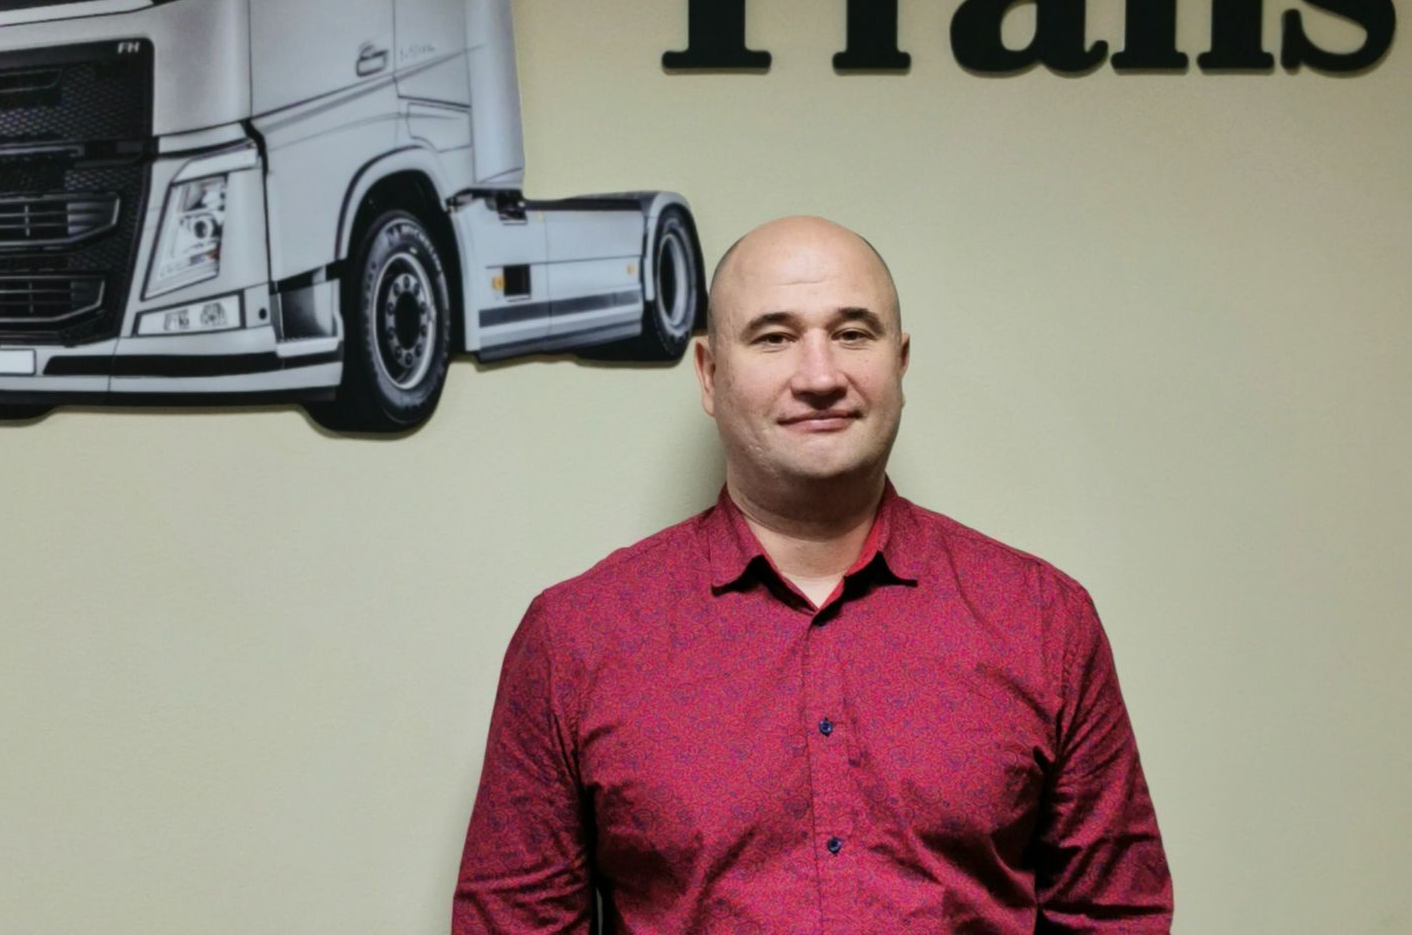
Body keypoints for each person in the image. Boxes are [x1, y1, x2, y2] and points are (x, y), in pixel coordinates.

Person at [453, 216, 1172, 932]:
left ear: (900, 363)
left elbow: (1115, 915)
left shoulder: (1041, 618)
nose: (821, 376)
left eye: (853, 334)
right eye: (774, 337)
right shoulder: (577, 639)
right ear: (710, 375)